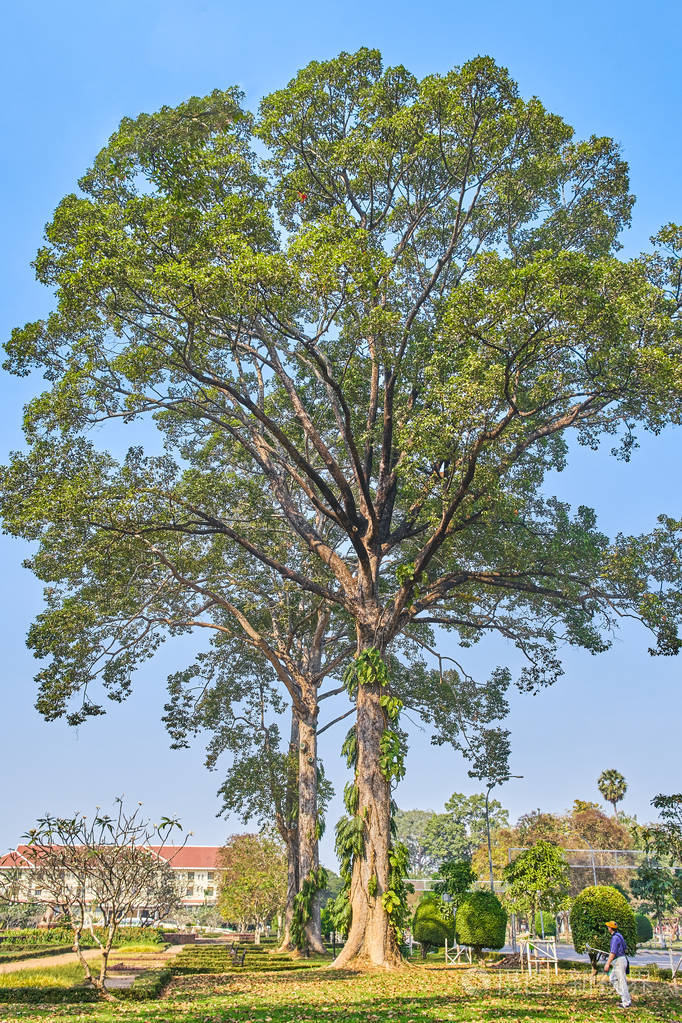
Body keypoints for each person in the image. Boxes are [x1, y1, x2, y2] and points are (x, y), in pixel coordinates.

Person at [604, 920, 632, 1009]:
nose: (607, 928)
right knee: (612, 978)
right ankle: (624, 996)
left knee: (622, 981)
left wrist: (607, 964)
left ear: (611, 928)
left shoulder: (615, 938)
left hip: (619, 961)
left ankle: (626, 1002)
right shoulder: (619, 936)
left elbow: (613, 952)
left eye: (608, 927)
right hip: (619, 960)